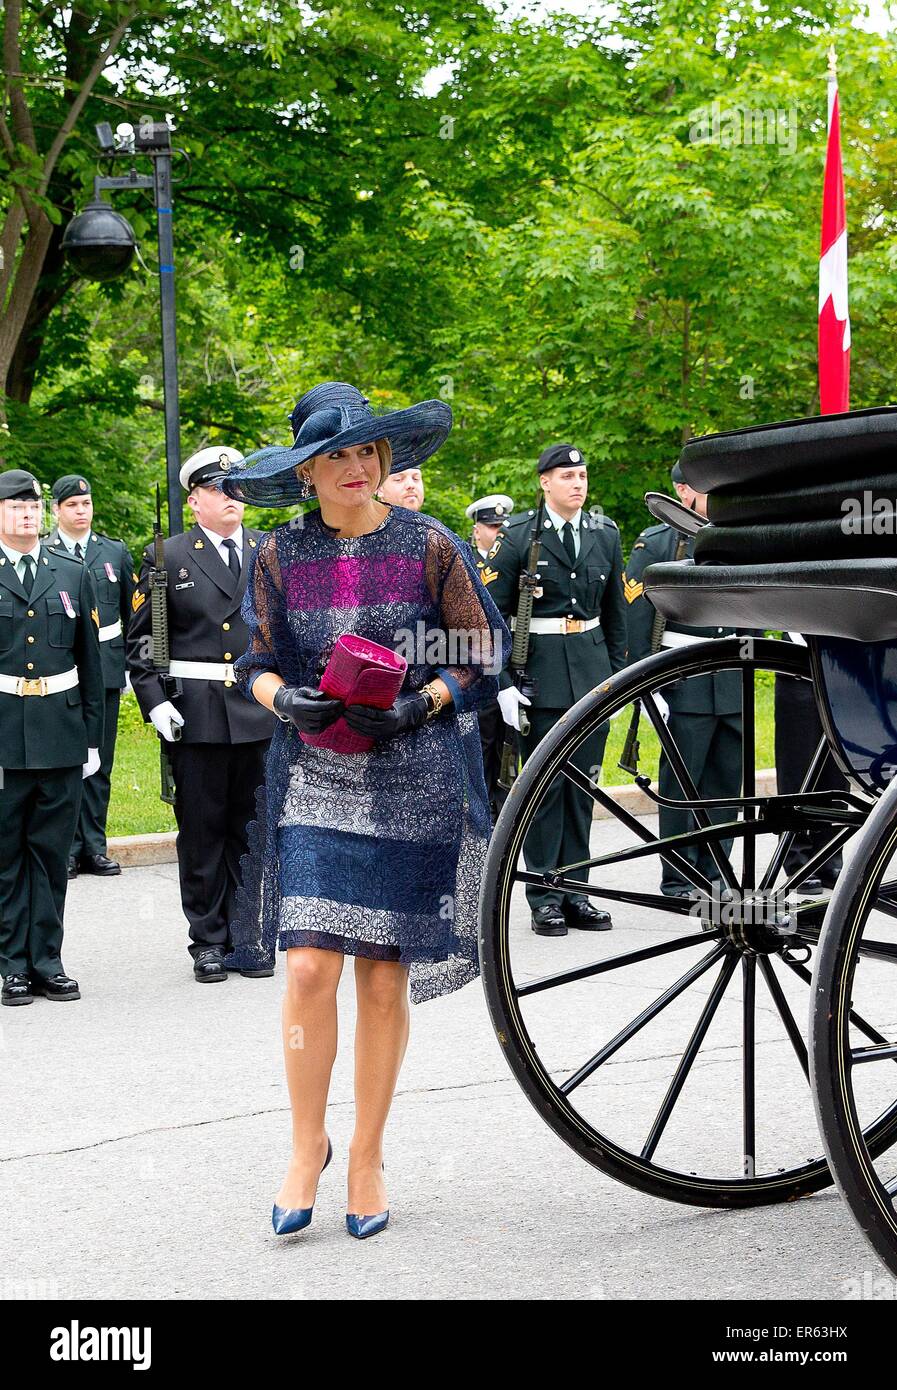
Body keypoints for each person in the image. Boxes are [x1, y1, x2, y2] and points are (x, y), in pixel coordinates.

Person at [220, 380, 510, 1238]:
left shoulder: (429, 544)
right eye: (334, 456)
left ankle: (366, 1155)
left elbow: (481, 650)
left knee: (383, 978)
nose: (354, 467)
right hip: (316, 771)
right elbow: (255, 660)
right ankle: (304, 1145)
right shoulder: (277, 555)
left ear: (385, 460)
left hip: (415, 771)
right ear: (306, 473)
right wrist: (284, 702)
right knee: (309, 965)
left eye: (366, 452)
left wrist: (423, 702)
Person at [126, 447, 277, 983]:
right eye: (218, 488)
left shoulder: (268, 550)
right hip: (198, 712)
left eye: (236, 486)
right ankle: (208, 940)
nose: (231, 496)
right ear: (195, 502)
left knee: (255, 829)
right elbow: (143, 643)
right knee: (202, 830)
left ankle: (249, 933)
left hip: (259, 710)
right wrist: (155, 700)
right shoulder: (167, 557)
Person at [482, 444, 628, 936]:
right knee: (545, 789)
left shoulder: (605, 534)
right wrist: (502, 681)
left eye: (582, 474)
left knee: (583, 786)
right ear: (545, 482)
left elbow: (615, 615)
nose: (577, 483)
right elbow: (488, 617)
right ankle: (543, 895)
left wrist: (618, 677)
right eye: (566, 475)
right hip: (538, 676)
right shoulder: (521, 536)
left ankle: (576, 891)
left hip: (590, 674)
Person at [0, 469, 104, 1007]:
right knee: (7, 856)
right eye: (15, 506)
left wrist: (91, 740)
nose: (26, 514)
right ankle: (11, 966)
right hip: (4, 736)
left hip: (60, 732)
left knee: (50, 853)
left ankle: (47, 961)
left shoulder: (69, 572)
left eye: (33, 506)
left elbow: (91, 659)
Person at [624, 461, 744, 898]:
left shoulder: (736, 538)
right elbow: (637, 619)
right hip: (684, 675)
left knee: (726, 781)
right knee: (683, 781)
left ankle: (717, 872)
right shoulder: (657, 543)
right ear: (682, 491)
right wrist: (648, 683)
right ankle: (678, 876)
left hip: (731, 674)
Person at [45, 474, 135, 879]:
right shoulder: (44, 553)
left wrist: (133, 666)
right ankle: (66, 848)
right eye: (73, 506)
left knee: (101, 762)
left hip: (107, 669)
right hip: (61, 673)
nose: (81, 511)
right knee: (64, 763)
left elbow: (133, 618)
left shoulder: (113, 552)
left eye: (86, 504)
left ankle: (94, 846)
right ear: (57, 510)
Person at [774, 635, 848, 891]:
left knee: (836, 774)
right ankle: (797, 860)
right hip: (796, 662)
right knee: (798, 772)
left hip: (839, 663)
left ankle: (830, 858)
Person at [466, 494, 515, 821]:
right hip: (479, 669)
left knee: (508, 748)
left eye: (501, 526)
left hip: (511, 666)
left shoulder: (513, 557)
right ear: (477, 529)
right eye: (491, 526)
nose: (497, 532)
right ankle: (480, 819)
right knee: (481, 749)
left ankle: (505, 816)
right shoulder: (465, 558)